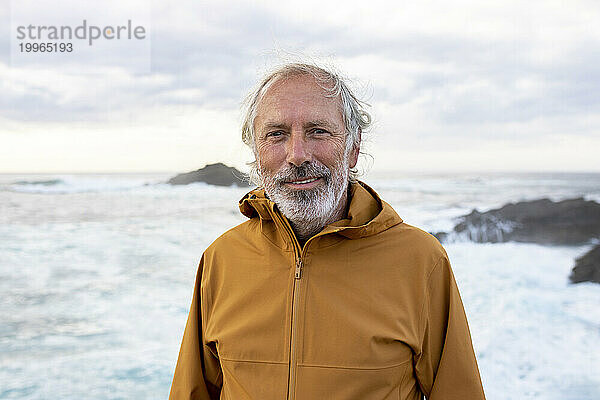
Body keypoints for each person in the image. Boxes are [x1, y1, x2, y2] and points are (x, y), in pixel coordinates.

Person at [169, 62, 486, 400]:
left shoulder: (421, 261)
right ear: (256, 151)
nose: (297, 155)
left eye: (318, 131)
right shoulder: (221, 259)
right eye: (276, 134)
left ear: (353, 147)